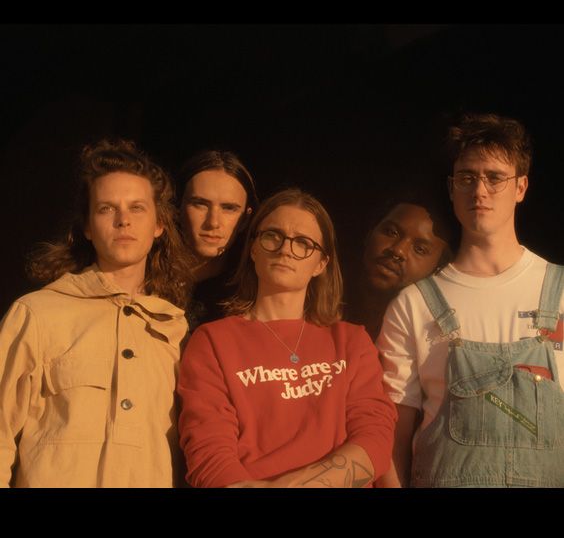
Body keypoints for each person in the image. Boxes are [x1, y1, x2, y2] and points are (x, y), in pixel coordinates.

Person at [378, 113, 564, 487]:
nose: (479, 190)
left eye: (495, 177)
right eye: (467, 178)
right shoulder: (412, 306)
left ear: (521, 187)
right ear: (452, 189)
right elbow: (390, 440)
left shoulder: (560, 292)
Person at [0, 139, 190, 487]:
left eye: (137, 208)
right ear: (87, 226)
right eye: (106, 208)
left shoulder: (176, 329)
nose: (123, 220)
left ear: (159, 224)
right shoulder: (36, 314)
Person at [177, 188, 397, 487]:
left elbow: (375, 441)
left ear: (321, 263)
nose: (285, 249)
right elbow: (210, 459)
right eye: (273, 236)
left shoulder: (351, 341)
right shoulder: (213, 341)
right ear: (253, 249)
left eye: (303, 243)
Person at [346, 196, 453, 341]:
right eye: (391, 232)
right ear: (370, 232)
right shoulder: (318, 304)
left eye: (420, 249)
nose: (398, 251)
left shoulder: (433, 338)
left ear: (438, 268)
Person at [178, 149, 258, 329]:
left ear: (245, 219)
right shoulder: (141, 279)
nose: (213, 222)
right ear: (178, 206)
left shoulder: (250, 297)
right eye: (200, 204)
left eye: (228, 208)